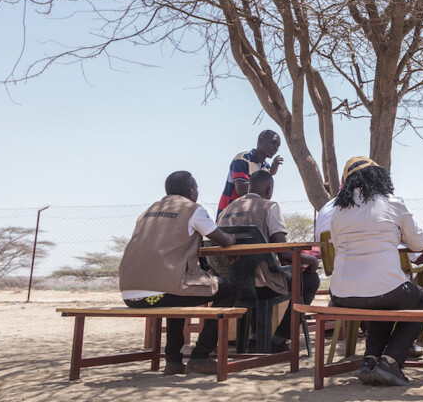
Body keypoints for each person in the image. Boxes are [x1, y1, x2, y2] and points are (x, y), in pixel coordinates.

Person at [329, 156, 423, 387]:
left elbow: (338, 248)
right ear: (379, 176)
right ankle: (390, 360)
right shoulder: (392, 203)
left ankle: (370, 361)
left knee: (381, 300)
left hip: (341, 294)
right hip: (383, 289)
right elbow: (418, 244)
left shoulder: (337, 211)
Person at [119, 171, 236, 376]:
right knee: (229, 288)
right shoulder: (193, 210)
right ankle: (200, 355)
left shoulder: (148, 212)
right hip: (161, 294)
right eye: (196, 188)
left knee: (178, 293)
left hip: (132, 296)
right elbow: (224, 240)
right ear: (191, 192)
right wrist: (232, 241)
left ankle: (173, 361)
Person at [217, 170, 320, 353]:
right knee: (309, 280)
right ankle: (279, 338)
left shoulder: (227, 210)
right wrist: (311, 260)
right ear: (269, 189)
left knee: (260, 267)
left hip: (231, 283)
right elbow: (285, 254)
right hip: (261, 285)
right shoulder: (269, 206)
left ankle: (254, 338)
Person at [217, 130, 284, 215]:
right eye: (273, 142)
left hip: (248, 215)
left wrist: (270, 173)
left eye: (278, 146)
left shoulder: (266, 167)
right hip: (229, 214)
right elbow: (241, 190)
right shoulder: (243, 159)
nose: (275, 148)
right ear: (261, 140)